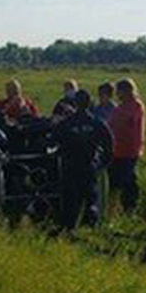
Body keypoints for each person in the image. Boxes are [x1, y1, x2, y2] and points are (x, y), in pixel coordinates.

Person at [49, 88, 113, 229]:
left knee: (71, 201)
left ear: (75, 103)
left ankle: (69, 228)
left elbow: (52, 142)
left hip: (70, 168)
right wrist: (101, 164)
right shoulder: (97, 123)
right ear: (89, 103)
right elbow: (109, 146)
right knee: (91, 199)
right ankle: (92, 227)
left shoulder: (66, 124)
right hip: (89, 166)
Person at [108, 77, 145, 212]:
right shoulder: (121, 107)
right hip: (117, 149)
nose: (117, 94)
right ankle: (115, 207)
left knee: (128, 182)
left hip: (129, 150)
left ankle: (130, 208)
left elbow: (123, 123)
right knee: (115, 181)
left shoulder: (135, 106)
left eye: (119, 91)